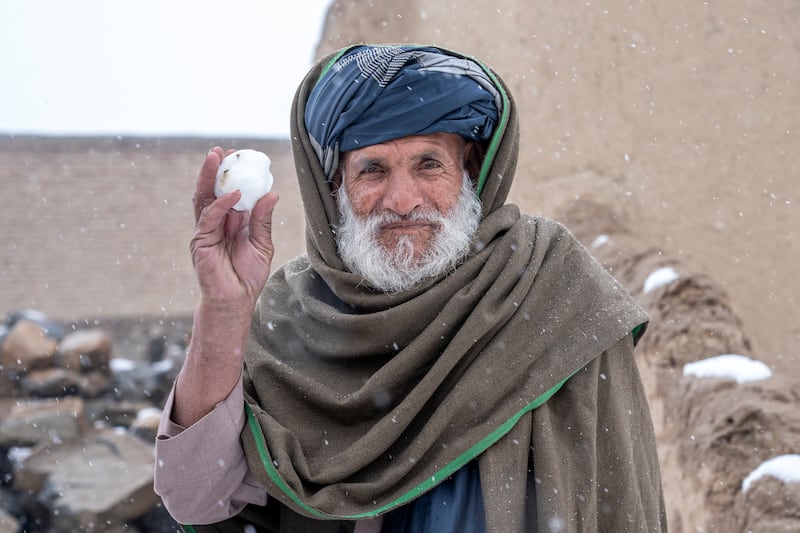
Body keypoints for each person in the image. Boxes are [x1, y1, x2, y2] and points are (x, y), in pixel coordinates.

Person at [154, 44, 667, 533]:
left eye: (428, 164)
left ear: (470, 172)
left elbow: (616, 500)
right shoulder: (290, 315)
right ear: (334, 189)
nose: (402, 201)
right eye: (372, 170)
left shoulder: (549, 285)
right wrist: (224, 310)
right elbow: (196, 495)